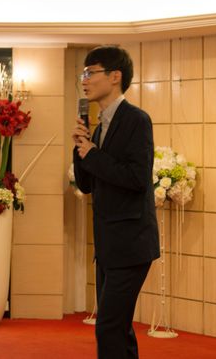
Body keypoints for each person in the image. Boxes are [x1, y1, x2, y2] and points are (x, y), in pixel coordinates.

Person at [71, 45, 160, 359]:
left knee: (108, 326)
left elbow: (137, 179)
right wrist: (81, 147)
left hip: (131, 244)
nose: (84, 80)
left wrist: (93, 155)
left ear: (115, 76)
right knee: (118, 327)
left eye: (90, 72)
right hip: (108, 245)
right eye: (83, 73)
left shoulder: (137, 120)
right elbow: (86, 185)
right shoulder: (99, 128)